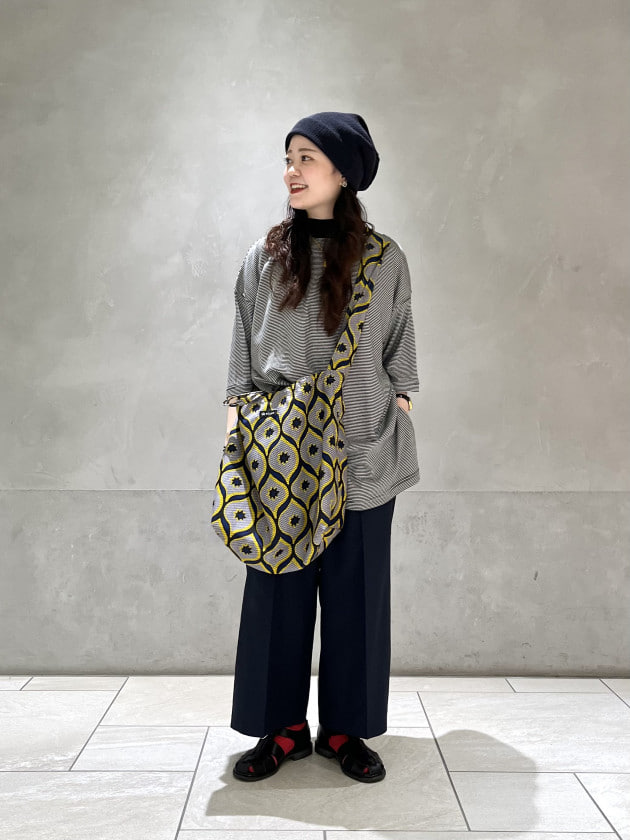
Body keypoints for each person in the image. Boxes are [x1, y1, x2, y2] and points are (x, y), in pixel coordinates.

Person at [222, 111, 420, 784]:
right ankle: (280, 728)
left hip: (362, 453)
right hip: (279, 455)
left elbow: (400, 348)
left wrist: (396, 406)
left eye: (306, 157)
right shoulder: (263, 256)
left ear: (344, 172)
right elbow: (242, 351)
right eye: (289, 158)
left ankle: (345, 729)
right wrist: (239, 432)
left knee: (357, 597)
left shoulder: (384, 259)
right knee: (276, 593)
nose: (292, 171)